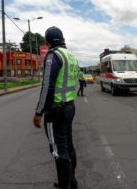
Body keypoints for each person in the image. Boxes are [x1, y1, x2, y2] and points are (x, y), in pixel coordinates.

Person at [33, 26, 79, 189]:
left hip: (56, 111)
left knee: (59, 150)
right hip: (69, 107)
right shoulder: (71, 56)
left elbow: (47, 86)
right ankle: (71, 182)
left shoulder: (53, 55)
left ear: (48, 42)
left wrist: (39, 112)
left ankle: (65, 185)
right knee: (68, 145)